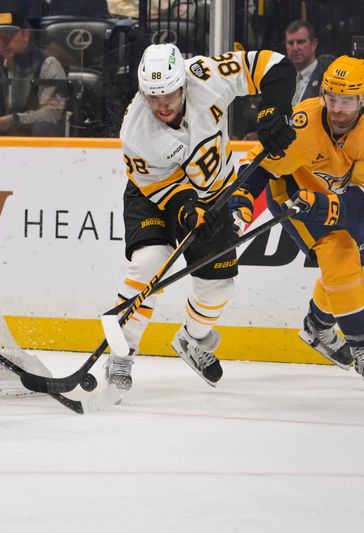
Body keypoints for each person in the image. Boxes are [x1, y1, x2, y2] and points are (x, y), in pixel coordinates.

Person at [107, 43, 296, 391]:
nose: (162, 105)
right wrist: (185, 208)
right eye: (153, 97)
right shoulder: (136, 131)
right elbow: (160, 186)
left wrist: (274, 109)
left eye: (169, 94)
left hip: (214, 195)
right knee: (150, 262)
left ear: (183, 83)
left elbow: (274, 65)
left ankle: (192, 339)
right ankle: (122, 351)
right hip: (154, 195)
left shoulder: (205, 76)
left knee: (218, 286)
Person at [237, 57, 364, 391]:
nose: (336, 108)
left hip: (333, 198)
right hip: (293, 191)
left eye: (347, 99)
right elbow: (263, 165)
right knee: (340, 254)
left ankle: (318, 325)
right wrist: (242, 197)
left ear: (363, 98)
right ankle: (361, 344)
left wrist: (323, 205)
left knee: (353, 270)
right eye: (330, 96)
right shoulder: (305, 122)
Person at [0, 10, 66, 136]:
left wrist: (15, 120)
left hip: (37, 142)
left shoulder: (47, 64)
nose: (4, 42)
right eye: (0, 36)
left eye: (10, 35)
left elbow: (53, 113)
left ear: (26, 35)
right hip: (0, 141)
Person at [284, 20, 333, 105]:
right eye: (290, 43)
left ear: (313, 44)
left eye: (300, 42)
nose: (295, 48)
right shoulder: (282, 78)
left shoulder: (328, 78)